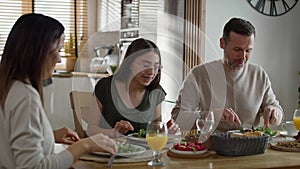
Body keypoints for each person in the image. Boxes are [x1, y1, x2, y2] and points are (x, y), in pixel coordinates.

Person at [0, 13, 117, 169]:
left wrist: (50, 135)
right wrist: (84, 146)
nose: (60, 59)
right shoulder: (25, 96)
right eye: (58, 50)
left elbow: (10, 140)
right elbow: (33, 167)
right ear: (38, 52)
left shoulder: (8, 86)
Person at [171, 17, 285, 132]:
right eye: (237, 49)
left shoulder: (258, 74)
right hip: (211, 146)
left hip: (251, 145)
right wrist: (209, 116)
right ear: (222, 43)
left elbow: (278, 111)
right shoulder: (198, 75)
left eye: (248, 50)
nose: (243, 57)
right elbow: (177, 118)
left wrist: (274, 111)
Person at [87, 38, 179, 137]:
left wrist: (166, 132)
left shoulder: (156, 92)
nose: (151, 72)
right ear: (129, 63)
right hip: (109, 150)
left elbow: (155, 131)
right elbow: (91, 130)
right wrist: (114, 133)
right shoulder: (105, 87)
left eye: (156, 66)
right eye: (145, 65)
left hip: (144, 152)